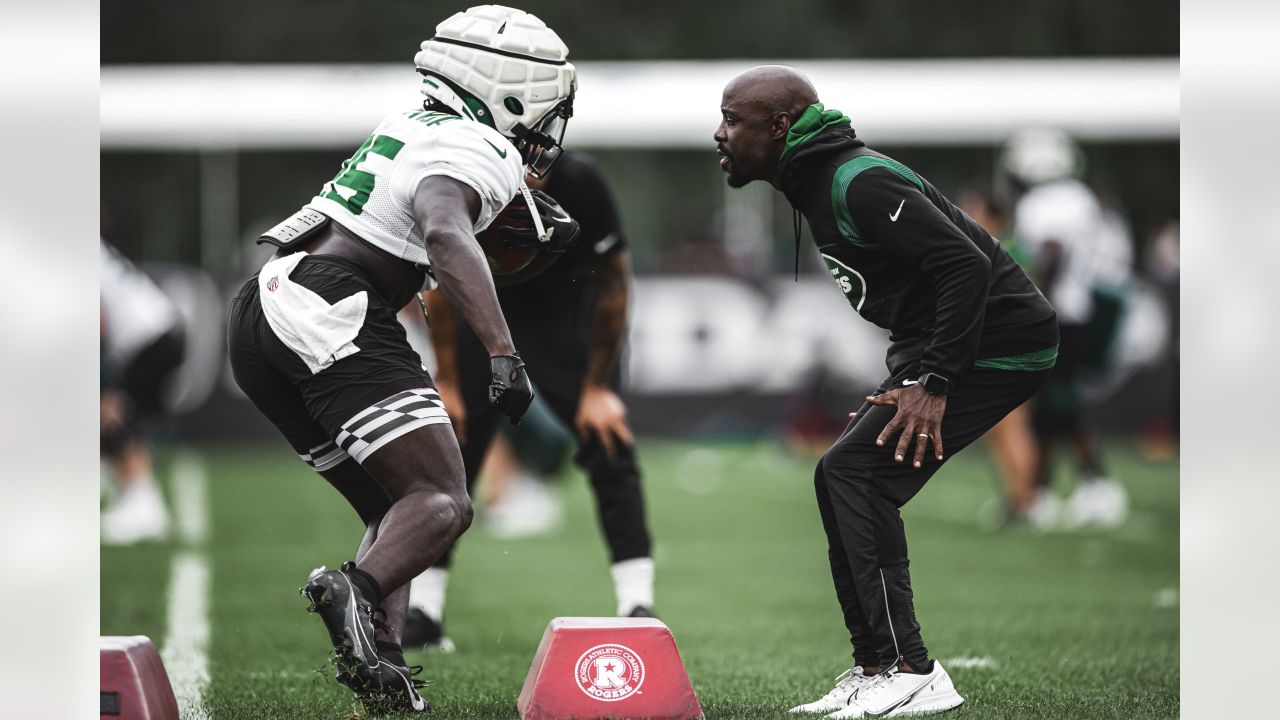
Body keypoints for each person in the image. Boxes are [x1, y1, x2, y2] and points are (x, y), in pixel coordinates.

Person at [225, 5, 578, 713]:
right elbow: (446, 231)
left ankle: (381, 671)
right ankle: (351, 590)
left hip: (264, 307)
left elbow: (420, 230)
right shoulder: (480, 144)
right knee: (443, 501)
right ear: (514, 87)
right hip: (330, 304)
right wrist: (504, 356)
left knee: (401, 507)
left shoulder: (411, 123)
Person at [714, 66, 1058, 717]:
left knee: (858, 473)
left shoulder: (857, 179)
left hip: (1006, 344)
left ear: (780, 127)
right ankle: (876, 665)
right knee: (840, 472)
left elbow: (965, 263)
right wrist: (903, 379)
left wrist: (932, 384)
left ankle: (910, 669)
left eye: (734, 119)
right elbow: (916, 300)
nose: (720, 132)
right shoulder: (818, 180)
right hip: (949, 350)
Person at [404, 150, 656, 650]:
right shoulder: (464, 175)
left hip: (566, 313)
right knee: (450, 450)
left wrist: (599, 388)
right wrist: (448, 381)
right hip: (482, 313)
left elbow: (614, 282)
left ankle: (637, 604)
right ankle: (424, 610)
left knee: (608, 443)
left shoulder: (581, 180)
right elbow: (437, 279)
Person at [1002, 128, 1130, 528]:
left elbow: (1052, 254)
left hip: (1058, 313)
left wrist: (1035, 302)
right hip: (1078, 310)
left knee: (1055, 404)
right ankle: (1049, 489)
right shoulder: (1081, 197)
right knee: (1057, 405)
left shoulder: (1045, 203)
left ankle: (1055, 491)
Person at [100, 238, 182, 545]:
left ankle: (145, 509)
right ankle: (135, 502)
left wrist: (103, 384)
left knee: (114, 418)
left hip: (145, 339)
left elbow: (97, 320)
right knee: (114, 422)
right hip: (155, 331)